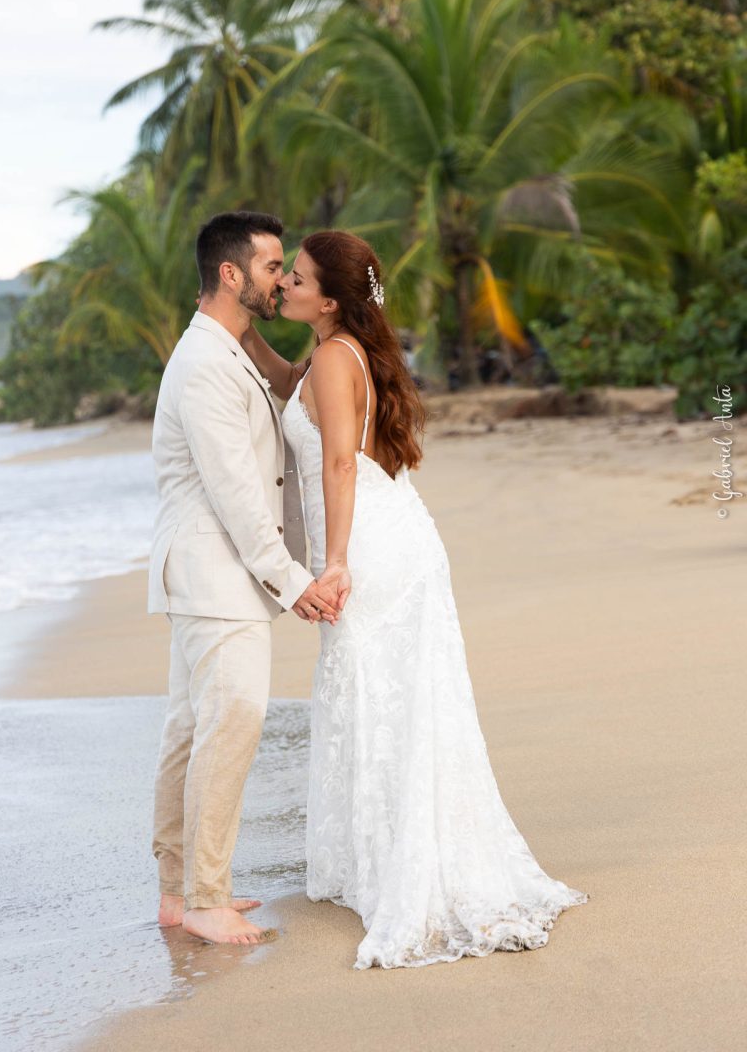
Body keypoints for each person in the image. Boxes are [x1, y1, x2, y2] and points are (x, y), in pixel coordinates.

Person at [242, 229, 589, 969]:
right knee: (383, 697)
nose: (287, 287)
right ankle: (380, 858)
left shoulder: (337, 359)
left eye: (298, 280)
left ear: (331, 301)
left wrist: (331, 564)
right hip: (390, 532)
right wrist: (233, 328)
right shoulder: (329, 355)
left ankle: (409, 865)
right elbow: (286, 383)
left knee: (384, 696)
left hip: (371, 545)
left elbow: (338, 460)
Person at [147, 211, 343, 947]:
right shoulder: (203, 366)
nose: (279, 277)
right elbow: (236, 492)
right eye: (270, 266)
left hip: (208, 573)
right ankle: (204, 896)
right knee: (233, 721)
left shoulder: (223, 348)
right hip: (213, 572)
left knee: (191, 728)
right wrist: (295, 583)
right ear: (231, 274)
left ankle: (178, 892)